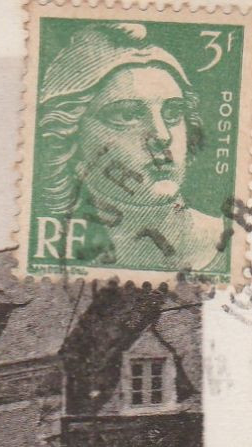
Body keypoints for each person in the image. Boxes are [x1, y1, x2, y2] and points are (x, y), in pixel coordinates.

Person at [34, 21, 229, 273]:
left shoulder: (227, 242)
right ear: (69, 140)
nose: (161, 135)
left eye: (173, 112)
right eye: (127, 115)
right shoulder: (55, 259)